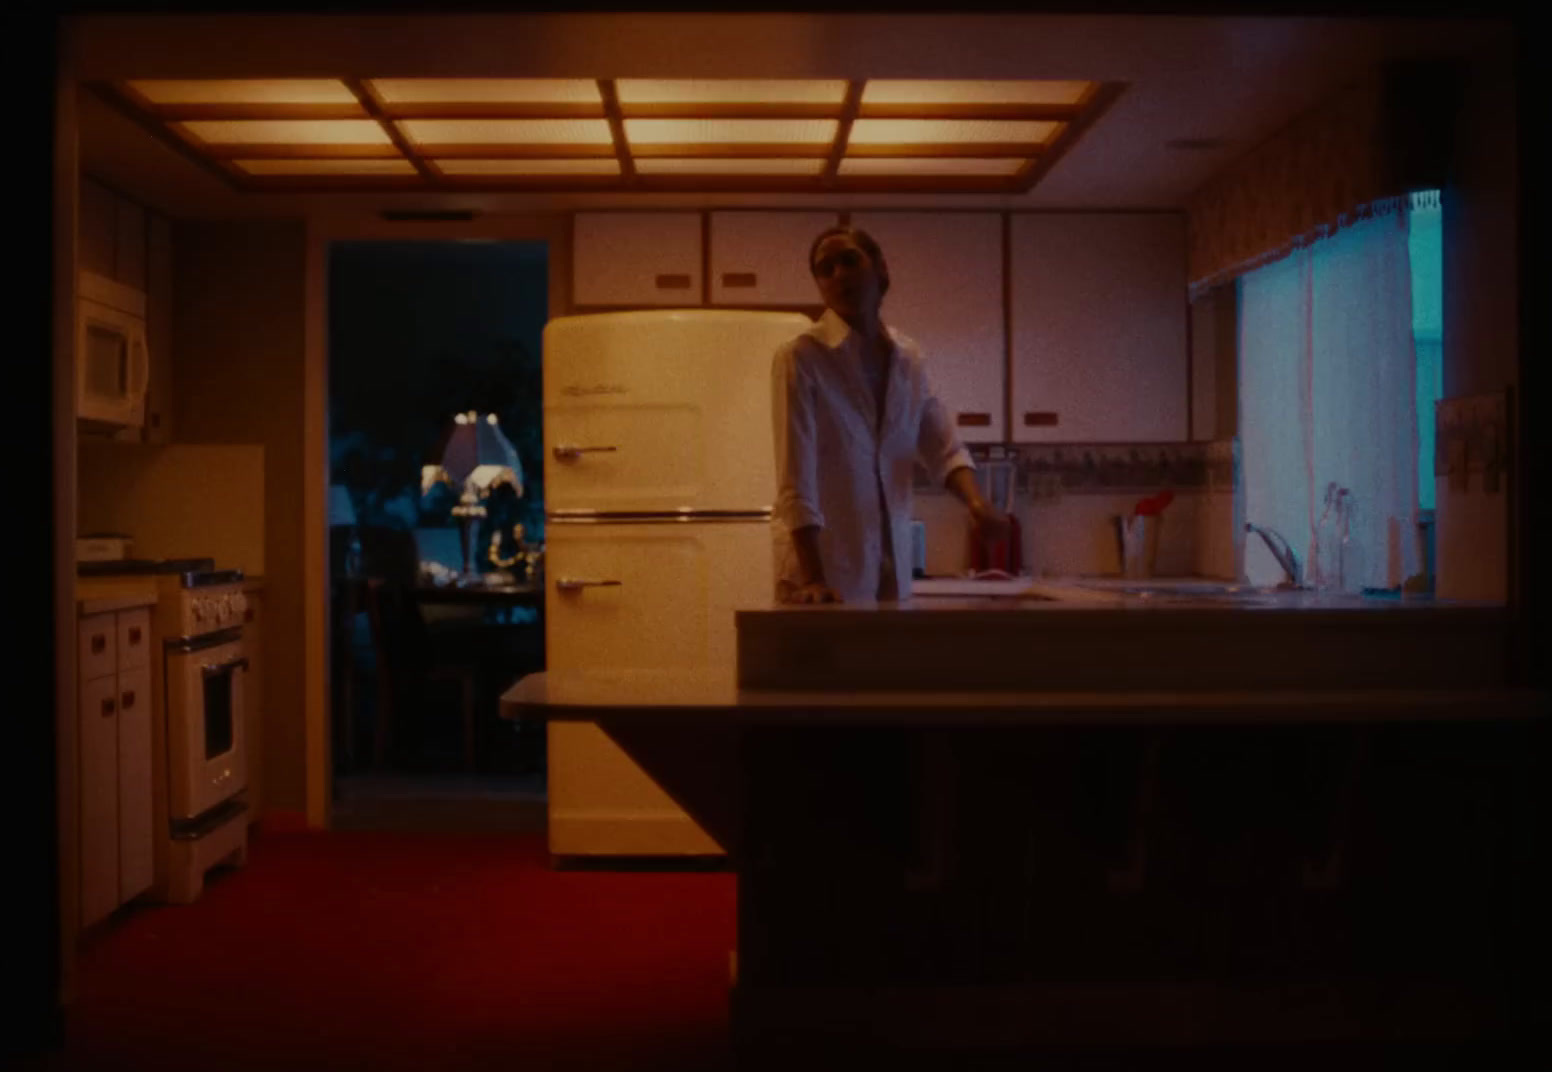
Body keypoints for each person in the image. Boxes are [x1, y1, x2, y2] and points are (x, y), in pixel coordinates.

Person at [772, 225, 1013, 604]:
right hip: (825, 574)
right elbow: (796, 479)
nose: (838, 274)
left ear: (881, 269)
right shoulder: (802, 357)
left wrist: (977, 504)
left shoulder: (909, 358)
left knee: (885, 663)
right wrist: (814, 578)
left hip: (892, 566)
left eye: (849, 260)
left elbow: (943, 448)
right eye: (825, 269)